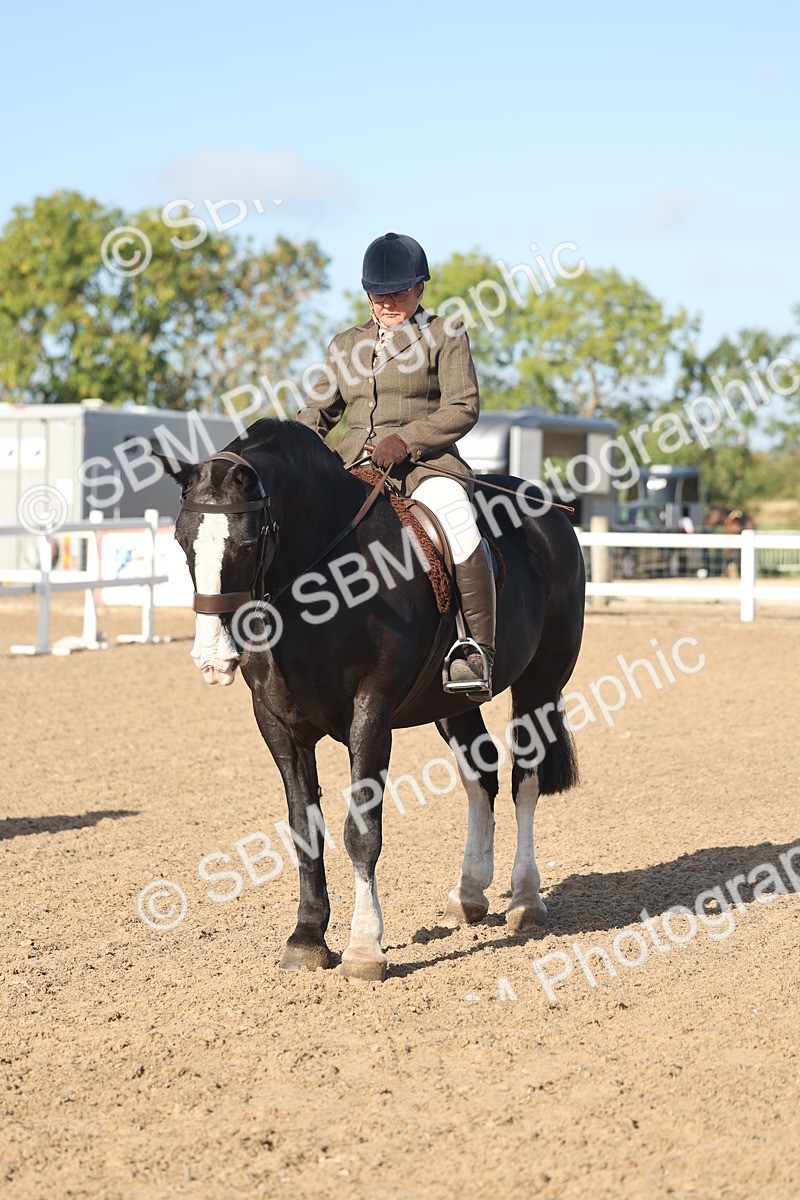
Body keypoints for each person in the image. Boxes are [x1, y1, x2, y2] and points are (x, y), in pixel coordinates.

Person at [297, 231, 495, 699]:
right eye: (378, 293)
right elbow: (318, 412)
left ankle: (476, 650)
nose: (387, 302)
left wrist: (406, 440)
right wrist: (292, 451)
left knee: (458, 523)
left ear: (420, 289)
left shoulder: (445, 334)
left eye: (399, 293)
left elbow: (463, 407)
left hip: (425, 467)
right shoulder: (345, 344)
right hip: (354, 467)